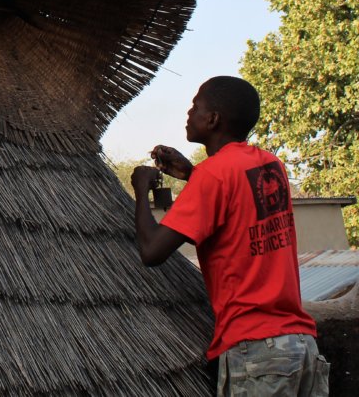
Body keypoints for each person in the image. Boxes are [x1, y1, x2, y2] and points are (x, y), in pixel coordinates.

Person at [130, 76, 329, 396]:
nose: (188, 112)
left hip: (259, 354)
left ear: (213, 119)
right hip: (301, 346)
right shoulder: (270, 165)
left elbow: (152, 251)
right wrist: (190, 175)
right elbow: (235, 215)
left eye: (196, 106)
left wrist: (141, 189)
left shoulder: (214, 175)